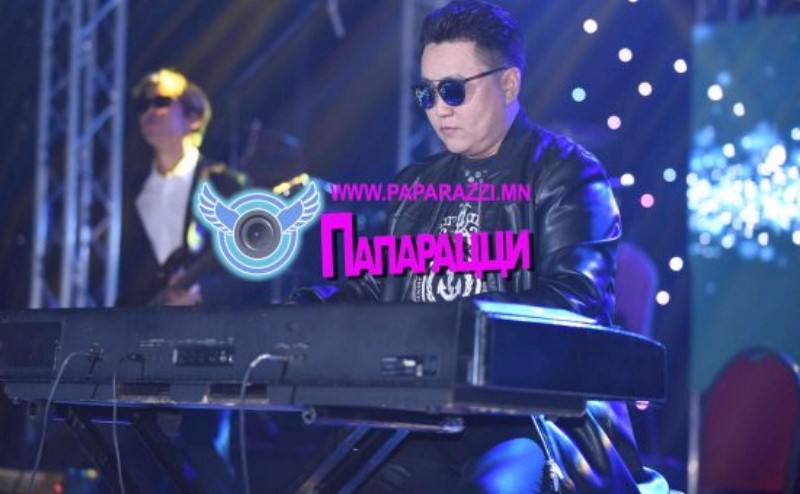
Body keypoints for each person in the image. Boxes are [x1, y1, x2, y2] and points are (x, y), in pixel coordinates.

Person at [293, 1, 670, 492]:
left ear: (508, 84)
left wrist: (455, 325)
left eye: (453, 90)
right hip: (421, 420)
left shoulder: (568, 174)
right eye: (426, 93)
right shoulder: (414, 185)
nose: (439, 108)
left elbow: (574, 300)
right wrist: (301, 315)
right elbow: (373, 287)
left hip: (530, 421)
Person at [116, 67, 248, 307]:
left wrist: (202, 292)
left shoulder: (224, 184)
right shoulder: (131, 187)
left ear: (194, 118)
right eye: (142, 106)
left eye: (161, 102)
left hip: (204, 320)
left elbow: (244, 265)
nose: (150, 113)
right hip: (139, 320)